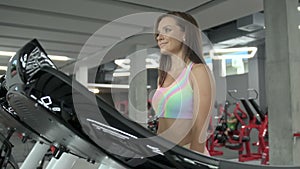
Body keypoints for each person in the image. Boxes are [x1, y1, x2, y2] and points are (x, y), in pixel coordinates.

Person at [151, 11, 215, 155]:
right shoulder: (163, 75)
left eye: (167, 30)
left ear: (185, 34)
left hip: (187, 154)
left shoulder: (198, 71)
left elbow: (201, 128)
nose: (159, 37)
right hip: (164, 154)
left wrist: (194, 161)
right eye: (158, 32)